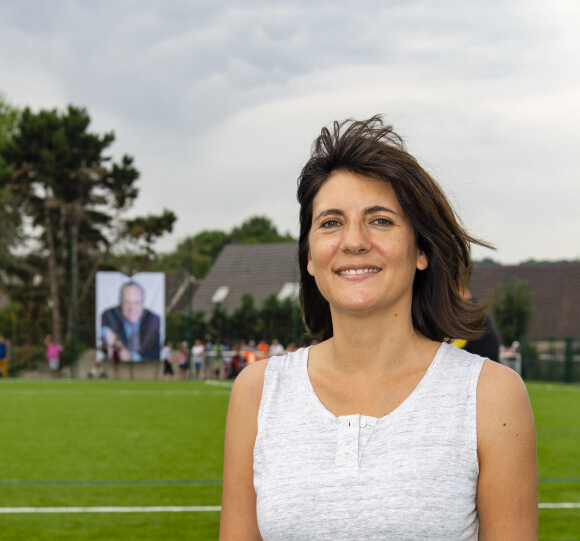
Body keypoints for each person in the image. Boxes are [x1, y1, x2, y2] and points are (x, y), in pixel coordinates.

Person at [220, 116, 538, 540]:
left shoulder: (491, 395)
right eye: (331, 222)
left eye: (381, 220)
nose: (353, 241)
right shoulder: (258, 392)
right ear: (310, 257)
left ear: (421, 250)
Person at [101, 280, 161, 361]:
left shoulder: (154, 320)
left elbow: (157, 352)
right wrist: (106, 331)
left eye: (137, 303)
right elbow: (100, 330)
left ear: (143, 302)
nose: (132, 308)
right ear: (120, 301)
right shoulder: (109, 315)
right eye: (127, 302)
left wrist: (132, 356)